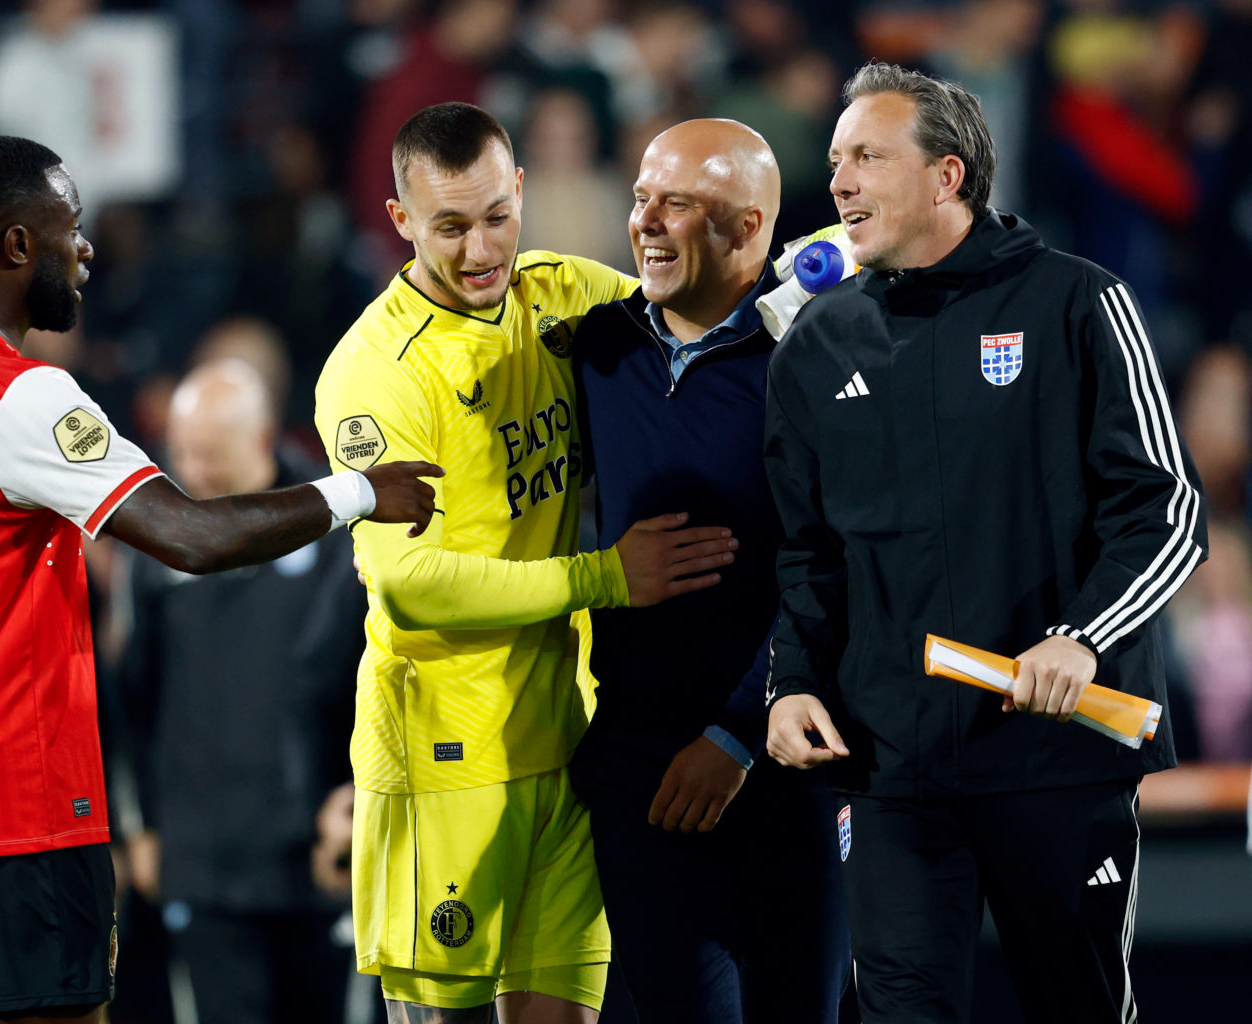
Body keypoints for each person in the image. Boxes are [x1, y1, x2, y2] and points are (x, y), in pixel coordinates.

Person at [0, 135, 442, 1024]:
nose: (84, 251)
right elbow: (187, 534)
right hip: (19, 812)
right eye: (69, 228)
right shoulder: (23, 396)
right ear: (15, 247)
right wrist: (356, 491)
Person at [763, 63, 1205, 1023]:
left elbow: (1167, 510)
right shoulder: (816, 342)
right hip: (887, 766)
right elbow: (806, 552)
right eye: (836, 159)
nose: (837, 182)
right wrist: (791, 680)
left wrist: (1080, 635)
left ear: (947, 177)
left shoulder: (1080, 303)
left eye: (868, 156)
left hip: (1058, 751)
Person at [313, 102, 738, 1023]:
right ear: (400, 223)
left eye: (497, 217)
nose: (480, 252)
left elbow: (695, 306)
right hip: (444, 753)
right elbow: (407, 583)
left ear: (520, 192)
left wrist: (839, 246)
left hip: (568, 735)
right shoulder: (375, 372)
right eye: (450, 227)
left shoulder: (558, 295)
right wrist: (604, 577)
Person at [570, 118, 850, 1023]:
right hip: (639, 772)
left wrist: (735, 733)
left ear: (749, 229)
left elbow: (844, 566)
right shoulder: (592, 348)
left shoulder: (822, 360)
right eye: (642, 197)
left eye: (678, 204)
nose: (645, 221)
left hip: (788, 766)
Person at [113, 357, 366, 1024]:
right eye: (183, 453)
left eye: (210, 455)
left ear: (259, 442)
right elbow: (132, 699)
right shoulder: (157, 552)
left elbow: (365, 686)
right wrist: (139, 830)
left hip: (317, 856)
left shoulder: (335, 530)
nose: (192, 472)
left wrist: (356, 804)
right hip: (205, 861)